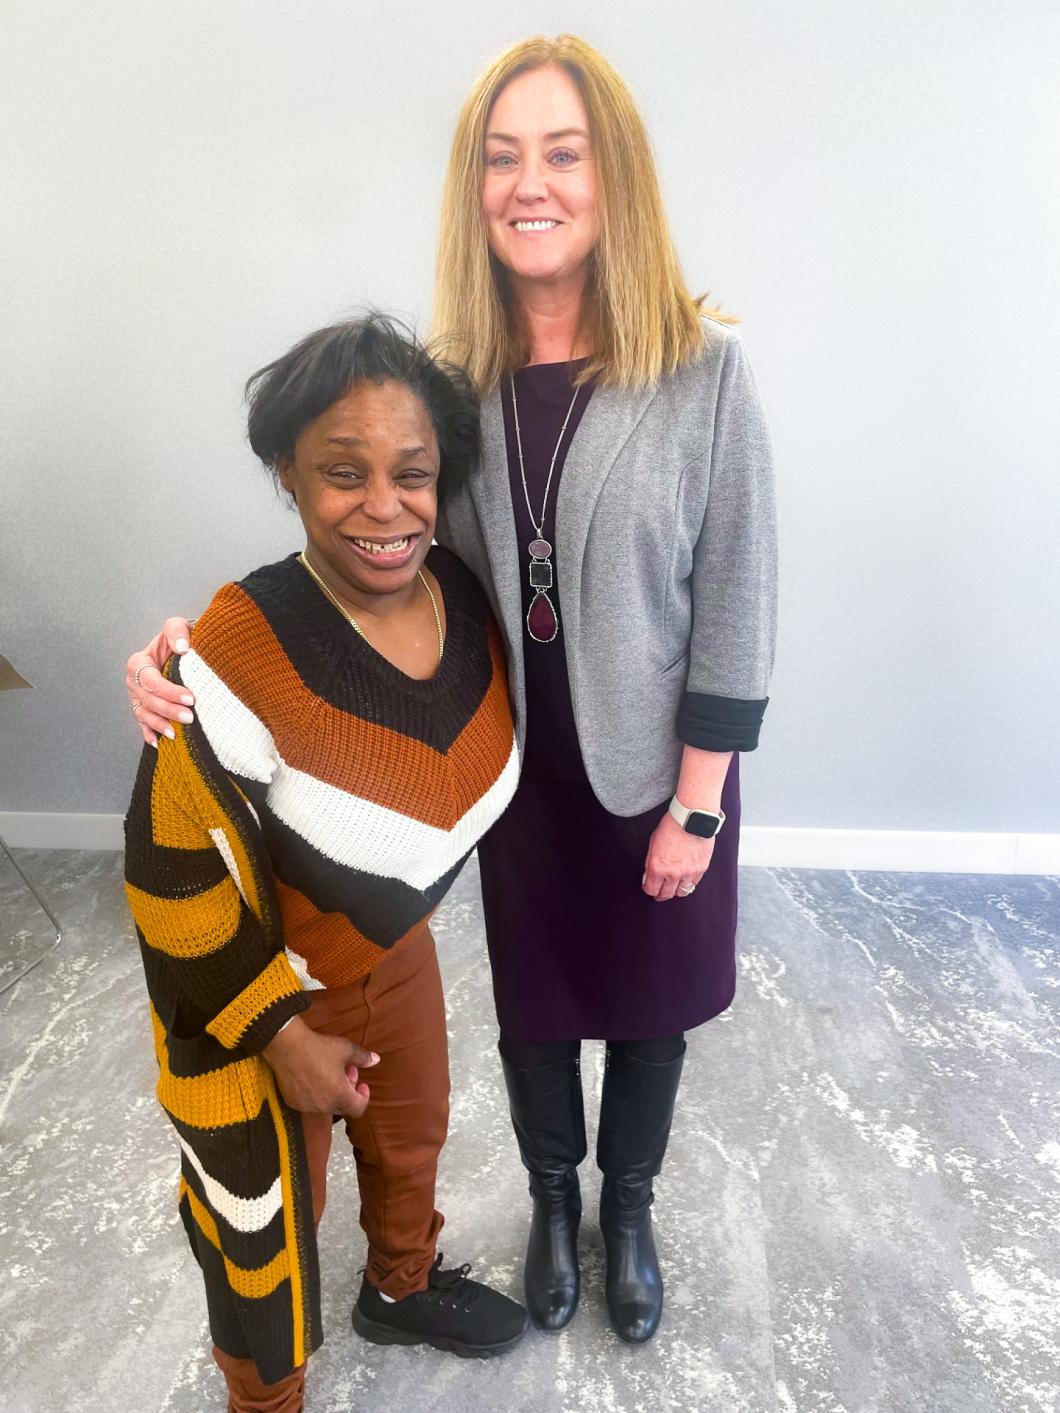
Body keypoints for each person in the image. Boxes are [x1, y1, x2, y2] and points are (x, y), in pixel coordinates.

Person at [126, 34, 777, 1348]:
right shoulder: (450, 384)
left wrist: (697, 805)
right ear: (475, 187)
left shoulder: (703, 368)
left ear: (615, 178)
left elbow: (742, 590)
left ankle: (626, 1209)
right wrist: (196, 649)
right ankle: (551, 1203)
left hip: (664, 774)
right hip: (515, 781)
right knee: (537, 1013)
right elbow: (370, 556)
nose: (529, 182)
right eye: (501, 156)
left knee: (652, 1013)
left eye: (562, 152)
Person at [124, 316, 529, 1413]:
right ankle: (266, 1399)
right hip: (261, 991)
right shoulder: (243, 641)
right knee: (259, 1218)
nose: (384, 506)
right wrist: (280, 1033)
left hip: (394, 955)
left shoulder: (469, 596)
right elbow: (171, 878)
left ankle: (398, 1287)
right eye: (342, 474)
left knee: (410, 1140)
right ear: (285, 475)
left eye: (412, 474)